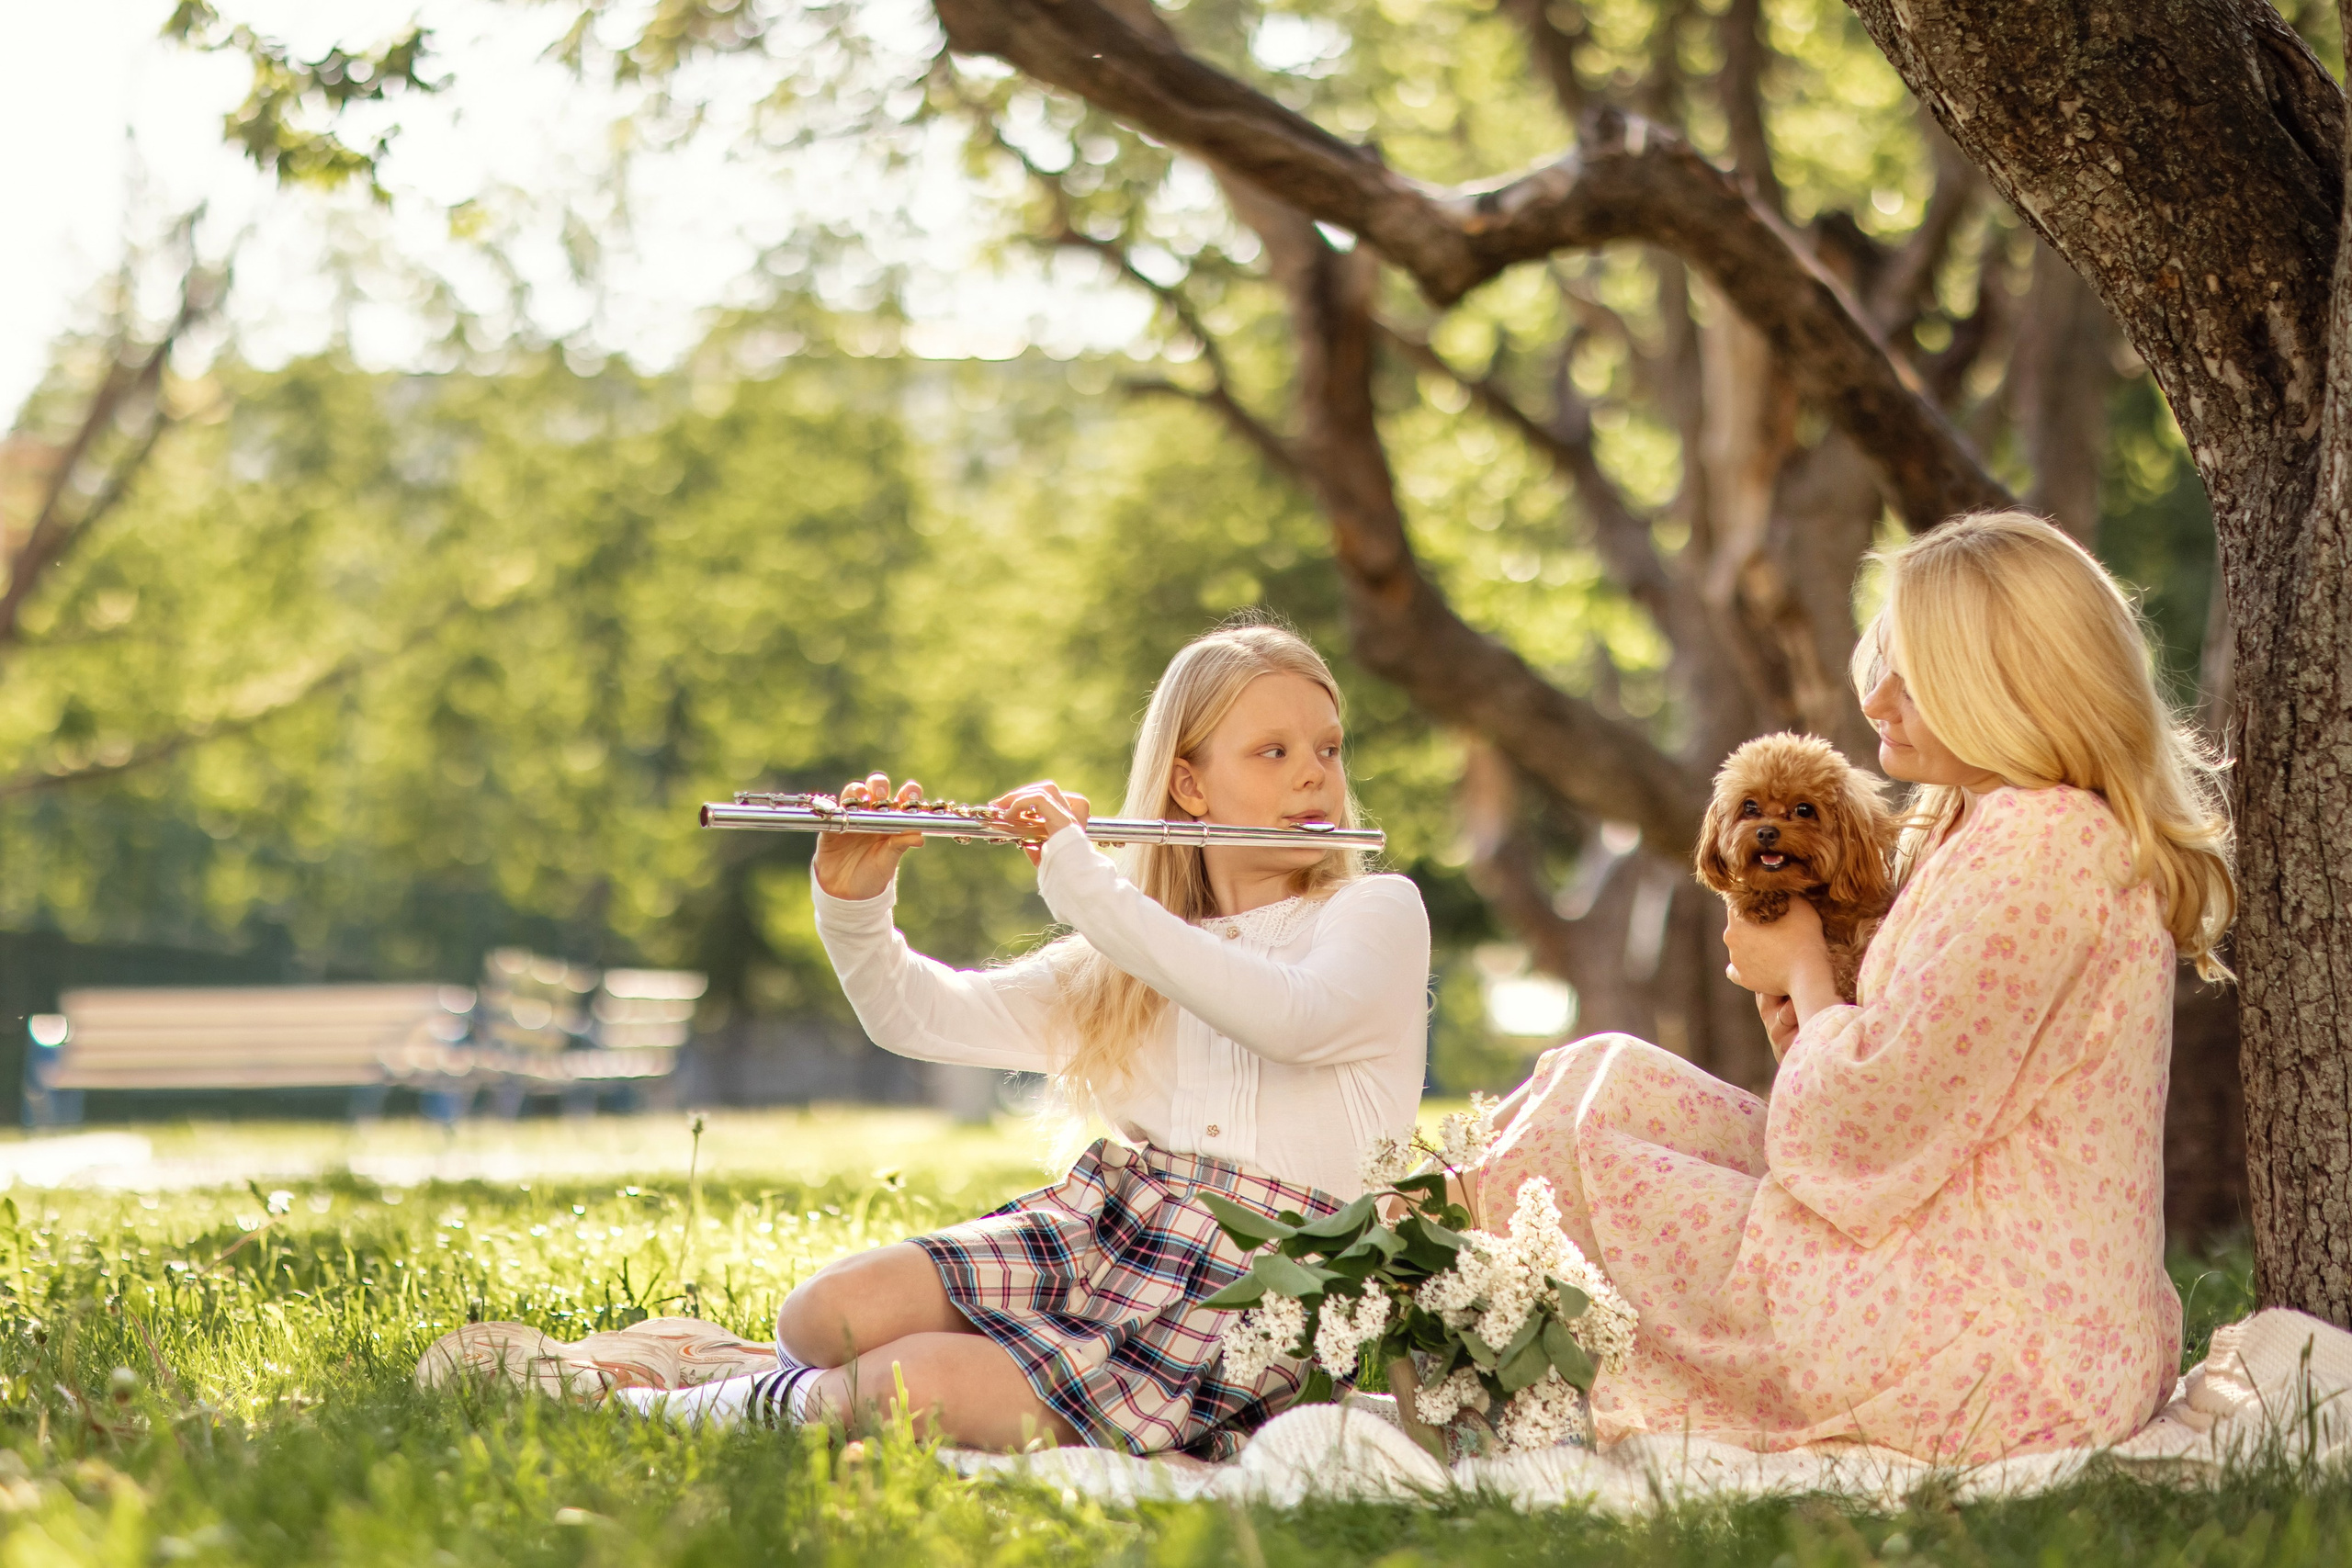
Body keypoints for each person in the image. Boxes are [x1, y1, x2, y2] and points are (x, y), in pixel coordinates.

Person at [1466, 512, 2233, 1462]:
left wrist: (1795, 968)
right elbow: (1915, 1091)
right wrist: (1807, 991)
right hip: (1977, 1284)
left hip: (1992, 1348)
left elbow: (1862, 1119)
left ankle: (1410, 1349)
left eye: (1915, 675)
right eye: (1885, 661)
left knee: (1557, 1159)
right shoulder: (1991, 827)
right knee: (1601, 1080)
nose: (1877, 696)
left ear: (2006, 688)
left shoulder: (2044, 846)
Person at [624, 620, 1430, 1457]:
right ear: (1188, 784)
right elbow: (918, 1015)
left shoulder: (1375, 912)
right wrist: (854, 905)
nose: (1313, 773)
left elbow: (1292, 1020)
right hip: (1117, 1226)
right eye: (1273, 751)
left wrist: (1083, 878)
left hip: (1264, 1285)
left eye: (1328, 749)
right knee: (823, 1313)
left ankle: (697, 1410)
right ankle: (816, 1386)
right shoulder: (1129, 949)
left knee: (900, 1388)